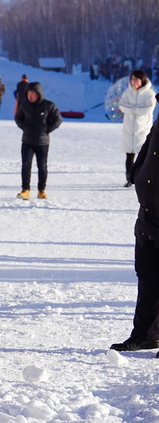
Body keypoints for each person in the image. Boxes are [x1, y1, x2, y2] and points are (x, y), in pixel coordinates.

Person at [110, 100, 159, 354]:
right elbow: (147, 150)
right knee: (147, 274)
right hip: (149, 212)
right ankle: (145, 335)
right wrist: (138, 176)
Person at [14, 82, 62, 200]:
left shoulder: (48, 105)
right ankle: (25, 190)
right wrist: (24, 127)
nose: (30, 96)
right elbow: (18, 117)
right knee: (26, 165)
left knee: (42, 166)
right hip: (27, 141)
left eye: (33, 94)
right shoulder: (25, 105)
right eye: (28, 94)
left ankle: (41, 190)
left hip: (42, 142)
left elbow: (58, 119)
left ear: (38, 94)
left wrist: (47, 129)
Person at [119, 70, 156, 187]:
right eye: (132, 79)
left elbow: (148, 108)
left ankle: (142, 178)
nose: (133, 82)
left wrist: (132, 109)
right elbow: (122, 106)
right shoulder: (127, 92)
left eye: (136, 79)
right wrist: (136, 109)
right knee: (129, 156)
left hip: (143, 130)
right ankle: (129, 178)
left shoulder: (149, 93)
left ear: (142, 80)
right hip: (129, 130)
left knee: (143, 155)